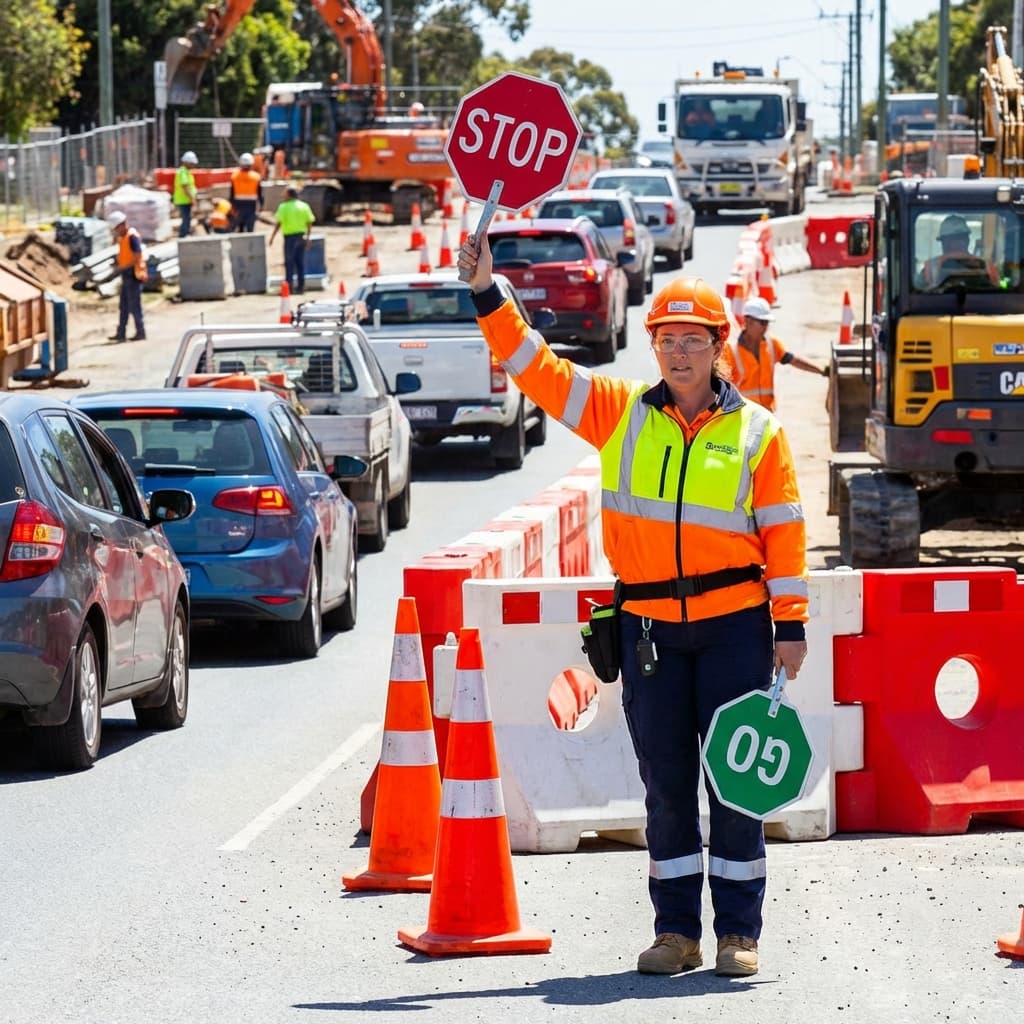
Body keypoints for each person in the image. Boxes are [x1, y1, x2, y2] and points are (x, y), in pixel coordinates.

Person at [458, 235, 809, 979]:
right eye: (667, 340)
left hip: (734, 629)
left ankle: (738, 935)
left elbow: (784, 534)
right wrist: (489, 292)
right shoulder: (619, 413)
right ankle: (676, 933)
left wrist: (792, 626)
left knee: (736, 786)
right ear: (653, 347)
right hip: (650, 631)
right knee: (666, 787)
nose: (679, 353)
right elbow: (536, 369)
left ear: (718, 346)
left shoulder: (758, 433)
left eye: (693, 340)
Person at [721, 297, 827, 411]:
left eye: (767, 323)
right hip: (743, 414)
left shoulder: (772, 344)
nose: (765, 327)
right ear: (748, 321)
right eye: (762, 322)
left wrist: (822, 369)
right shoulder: (731, 351)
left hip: (768, 413)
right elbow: (720, 385)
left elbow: (794, 360)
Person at [920, 214, 999, 287]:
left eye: (958, 239)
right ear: (967, 240)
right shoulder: (987, 266)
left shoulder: (930, 267)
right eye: (952, 239)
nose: (953, 243)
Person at [106, 211, 147, 342]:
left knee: (134, 305)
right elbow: (125, 254)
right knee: (123, 305)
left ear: (121, 225)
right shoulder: (122, 238)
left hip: (134, 274)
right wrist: (118, 263)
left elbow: (137, 256)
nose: (115, 232)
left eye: (116, 228)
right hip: (126, 274)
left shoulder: (132, 236)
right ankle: (121, 333)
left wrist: (123, 267)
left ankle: (140, 332)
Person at [268, 185, 316, 294]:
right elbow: (309, 223)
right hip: (301, 236)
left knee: (289, 263)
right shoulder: (304, 206)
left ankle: (289, 287)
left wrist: (272, 237)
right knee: (300, 263)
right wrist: (308, 237)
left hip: (289, 238)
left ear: (289, 195)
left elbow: (278, 224)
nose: (283, 195)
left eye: (285, 194)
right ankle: (301, 287)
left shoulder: (283, 207)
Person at [230, 152, 263, 233]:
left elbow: (232, 194)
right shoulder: (256, 177)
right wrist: (261, 205)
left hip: (238, 205)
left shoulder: (234, 176)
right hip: (251, 206)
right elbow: (260, 194)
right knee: (250, 229)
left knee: (240, 229)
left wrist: (232, 206)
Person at [173, 151, 199, 239]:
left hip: (186, 199)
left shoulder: (186, 172)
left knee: (187, 218)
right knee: (186, 218)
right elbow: (185, 187)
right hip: (183, 199)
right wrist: (192, 199)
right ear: (186, 162)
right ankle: (183, 236)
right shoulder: (182, 172)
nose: (193, 165)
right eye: (191, 163)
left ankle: (185, 235)